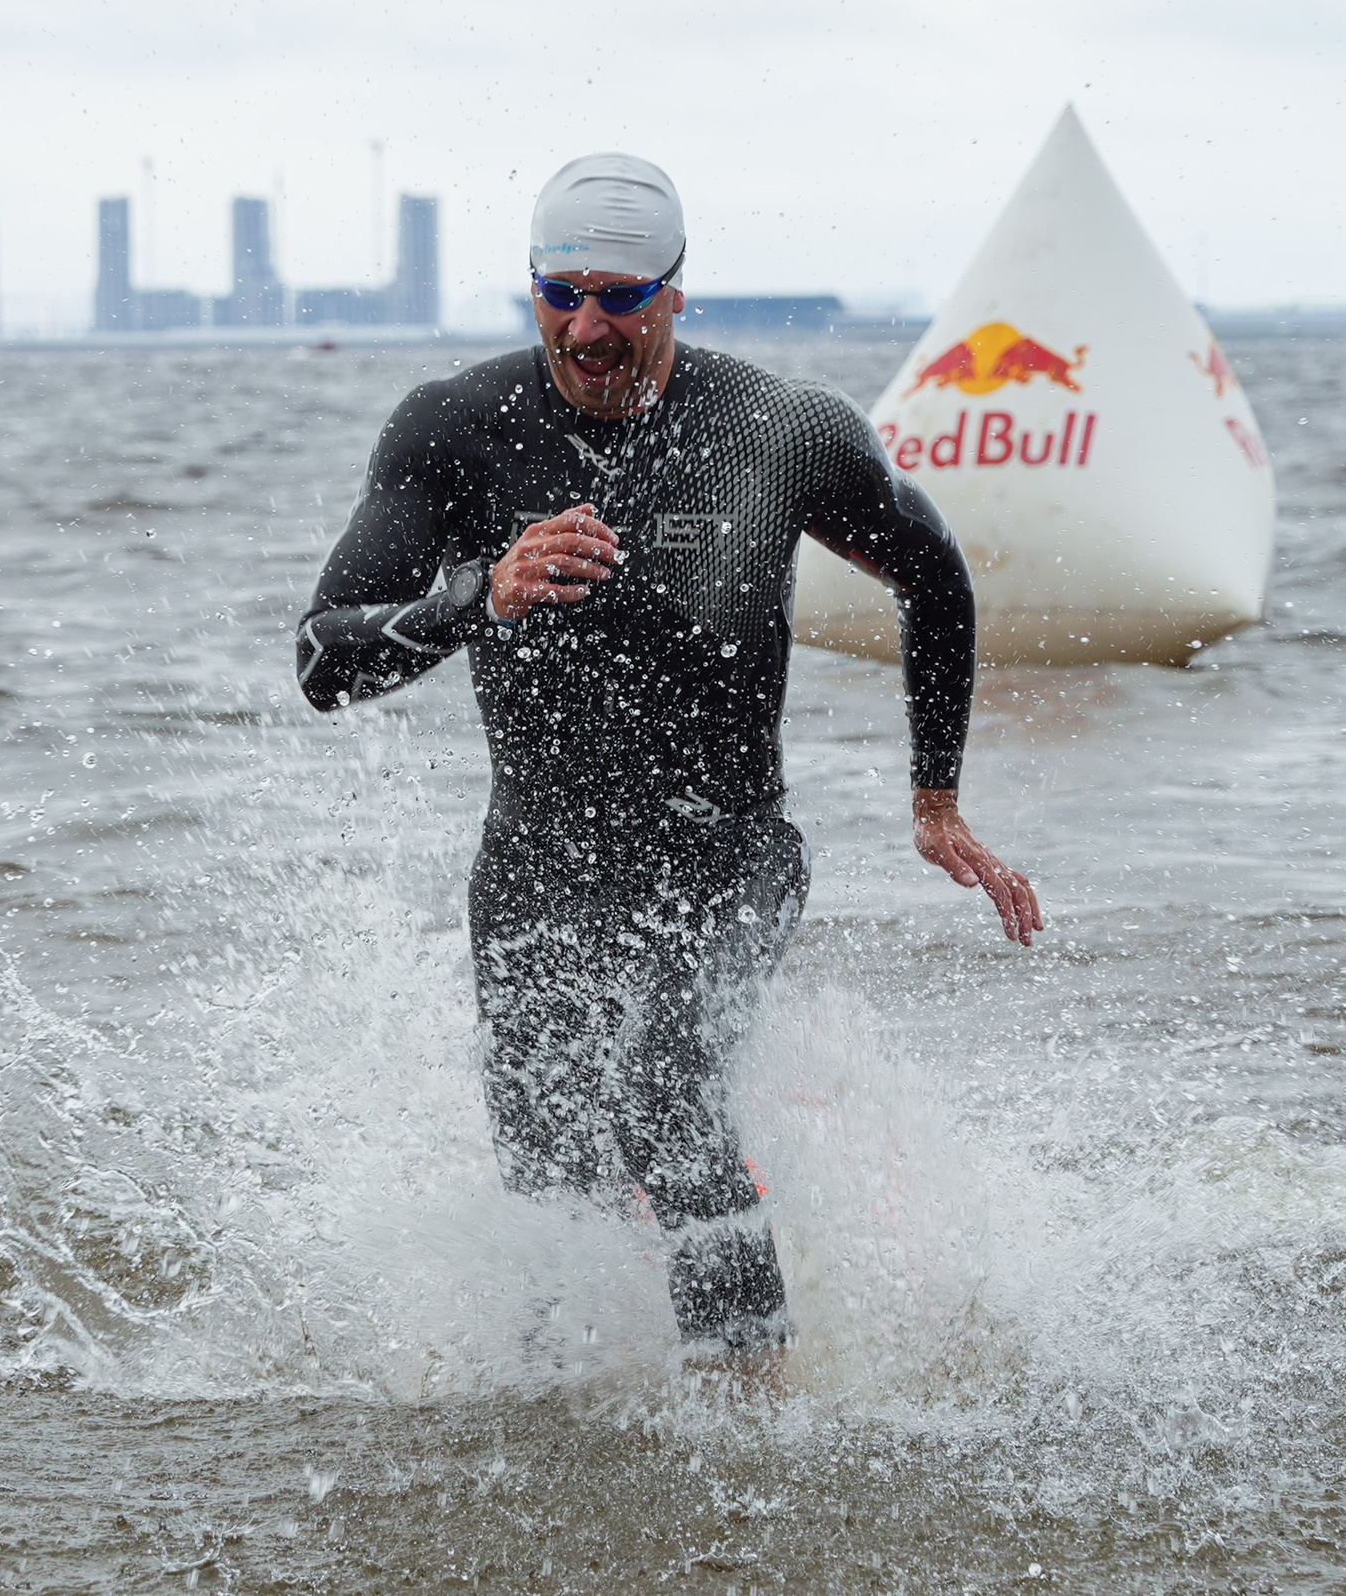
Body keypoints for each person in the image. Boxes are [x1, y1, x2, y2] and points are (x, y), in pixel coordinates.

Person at [296, 153, 1042, 1351]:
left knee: (663, 1092)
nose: (587, 327)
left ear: (675, 294)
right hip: (535, 868)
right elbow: (322, 663)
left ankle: (751, 1407)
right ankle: (577, 1421)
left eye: (621, 298)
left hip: (729, 852)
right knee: (552, 1180)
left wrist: (935, 799)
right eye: (560, 293)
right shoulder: (455, 430)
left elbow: (934, 574)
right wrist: (477, 599)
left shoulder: (778, 429)